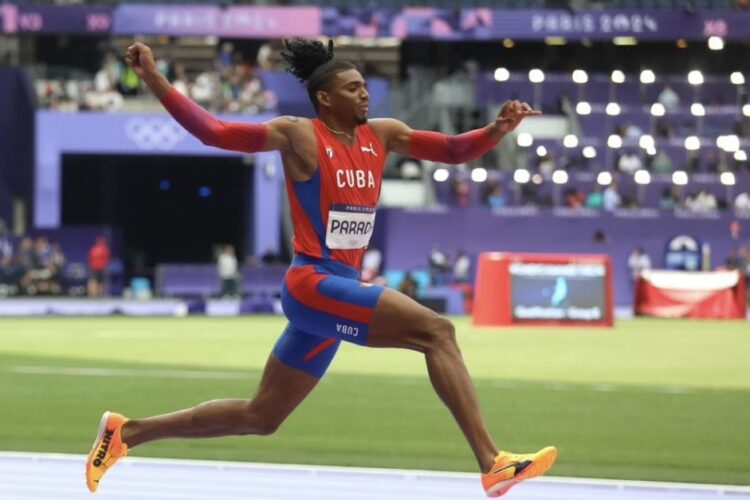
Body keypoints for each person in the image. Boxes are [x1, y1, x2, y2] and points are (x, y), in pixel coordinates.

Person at [85, 39, 556, 498]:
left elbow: (452, 150)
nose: (365, 93)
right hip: (313, 282)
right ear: (325, 99)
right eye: (353, 88)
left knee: (261, 417)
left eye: (365, 85)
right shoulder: (299, 134)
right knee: (436, 331)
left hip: (339, 287)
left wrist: (496, 130)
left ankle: (126, 433)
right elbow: (215, 132)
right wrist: (152, 77)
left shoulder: (383, 133)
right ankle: (492, 463)